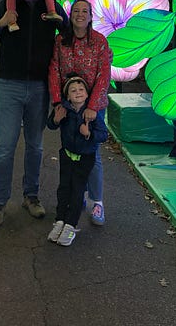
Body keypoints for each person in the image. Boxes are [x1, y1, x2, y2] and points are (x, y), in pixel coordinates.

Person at [0, 0, 68, 228]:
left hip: (39, 86)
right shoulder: (6, 4)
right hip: (10, 84)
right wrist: (1, 23)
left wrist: (62, 24)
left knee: (35, 146)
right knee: (5, 148)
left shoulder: (50, 5)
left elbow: (68, 34)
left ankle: (31, 197)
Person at [48, 0, 112, 226]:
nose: (80, 14)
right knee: (71, 151)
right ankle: (77, 195)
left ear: (91, 16)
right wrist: (58, 101)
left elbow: (104, 73)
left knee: (92, 154)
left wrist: (92, 106)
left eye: (85, 11)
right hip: (69, 106)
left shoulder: (99, 41)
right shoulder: (61, 41)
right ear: (71, 14)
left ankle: (97, 201)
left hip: (92, 107)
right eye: (76, 10)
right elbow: (54, 70)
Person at [47, 75, 108, 246]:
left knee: (77, 191)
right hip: (66, 155)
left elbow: (103, 135)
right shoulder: (64, 109)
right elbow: (51, 124)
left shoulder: (91, 114)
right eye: (73, 90)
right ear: (67, 96)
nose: (78, 92)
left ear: (87, 94)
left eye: (81, 89)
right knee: (63, 188)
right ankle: (59, 221)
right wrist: (56, 119)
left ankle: (70, 225)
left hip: (85, 158)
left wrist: (88, 134)